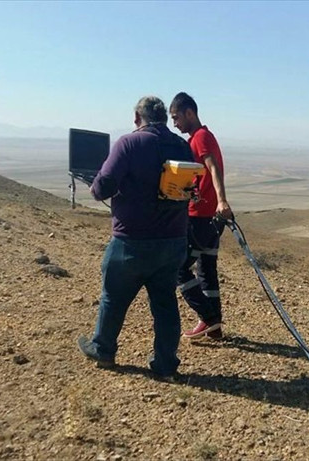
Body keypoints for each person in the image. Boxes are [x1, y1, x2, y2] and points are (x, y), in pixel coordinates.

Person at [77, 96, 194, 378]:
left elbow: (102, 187)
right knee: (165, 303)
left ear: (136, 118)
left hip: (131, 242)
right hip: (173, 241)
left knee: (113, 298)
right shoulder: (182, 146)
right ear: (164, 118)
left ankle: (103, 349)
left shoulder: (128, 144)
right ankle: (166, 365)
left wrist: (96, 185)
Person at [169, 92, 233, 340]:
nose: (175, 124)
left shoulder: (201, 137)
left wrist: (222, 200)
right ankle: (214, 327)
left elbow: (213, 166)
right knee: (207, 269)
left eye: (176, 117)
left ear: (190, 113)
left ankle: (208, 318)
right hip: (209, 217)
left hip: (202, 217)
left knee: (178, 268)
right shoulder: (199, 137)